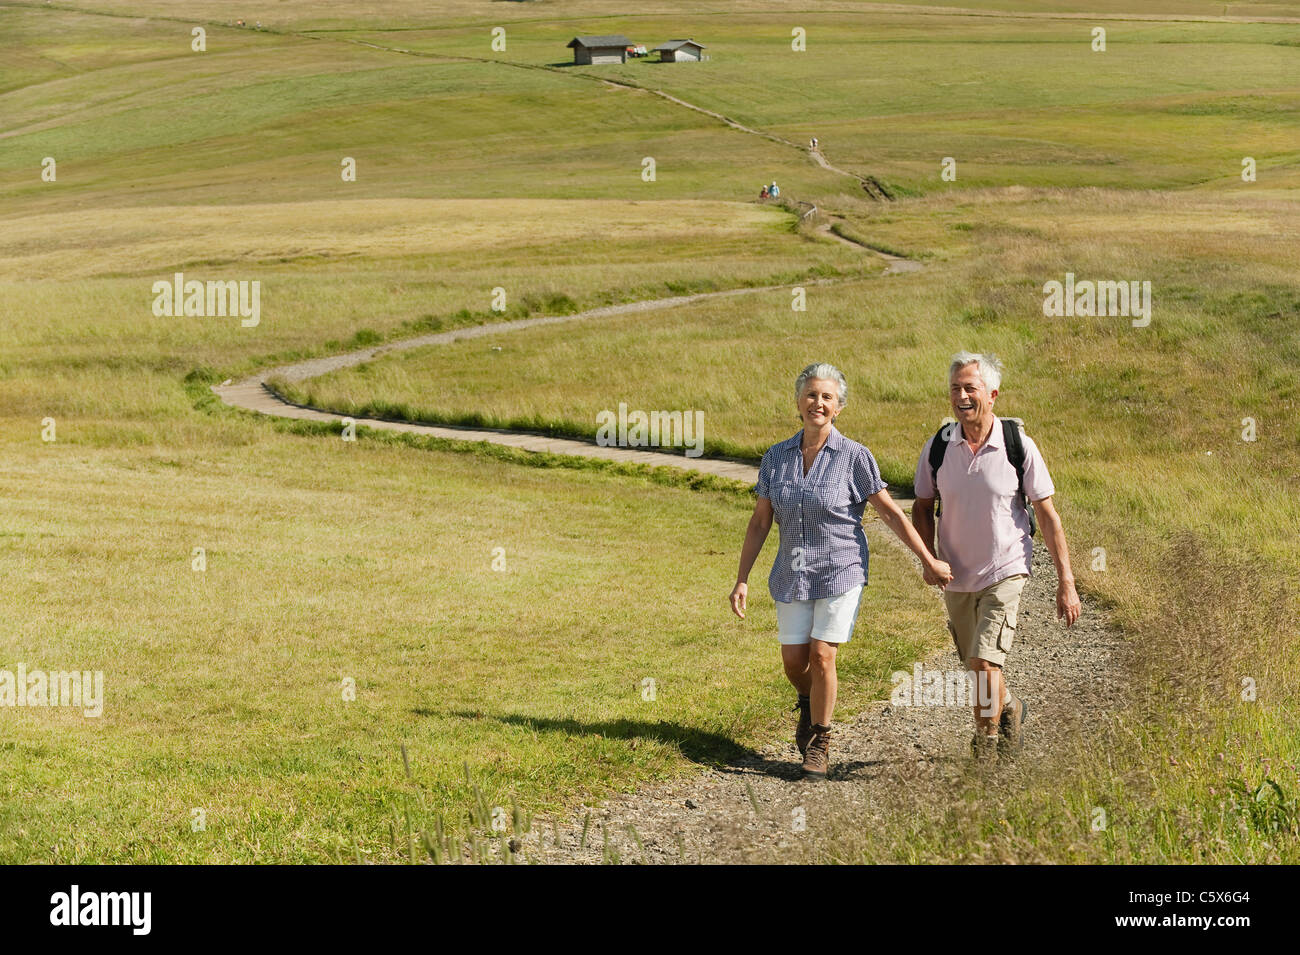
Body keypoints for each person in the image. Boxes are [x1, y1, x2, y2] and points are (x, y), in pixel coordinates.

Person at [730, 363, 953, 780]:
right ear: (798, 402)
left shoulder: (854, 457)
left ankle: (820, 739)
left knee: (821, 654)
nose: (818, 402)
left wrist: (928, 558)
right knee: (794, 663)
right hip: (792, 573)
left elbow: (890, 513)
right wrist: (742, 578)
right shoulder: (776, 457)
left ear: (839, 408)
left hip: (840, 568)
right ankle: (809, 702)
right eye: (811, 394)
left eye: (827, 397)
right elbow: (761, 520)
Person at [911, 352, 1081, 761]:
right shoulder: (939, 446)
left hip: (1006, 568)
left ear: (993, 394)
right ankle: (1010, 708)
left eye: (971, 388)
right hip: (955, 574)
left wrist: (1067, 582)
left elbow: (1047, 514)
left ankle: (984, 749)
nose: (962, 396)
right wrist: (927, 559)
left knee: (984, 662)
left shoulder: (1016, 444)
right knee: (978, 666)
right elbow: (920, 506)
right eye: (956, 388)